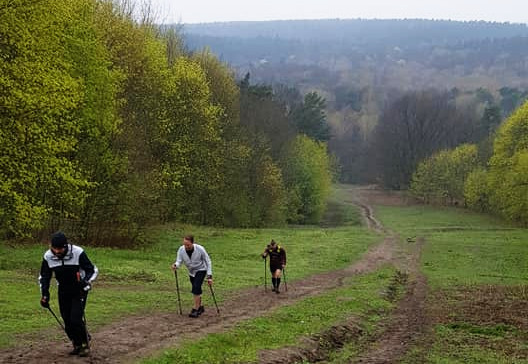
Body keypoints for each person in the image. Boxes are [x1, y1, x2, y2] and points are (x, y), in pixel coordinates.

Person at [39, 231, 98, 357]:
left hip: (79, 290)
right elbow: (44, 276)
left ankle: (84, 344)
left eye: (60, 249)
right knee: (67, 320)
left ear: (66, 246)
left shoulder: (78, 252)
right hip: (63, 290)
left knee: (75, 319)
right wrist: (45, 294)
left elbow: (91, 270)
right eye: (54, 249)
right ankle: (77, 344)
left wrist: (85, 282)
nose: (57, 252)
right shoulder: (48, 256)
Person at [171, 235, 213, 318]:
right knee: (197, 289)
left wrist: (209, 275)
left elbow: (208, 261)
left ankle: (195, 309)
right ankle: (200, 307)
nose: (186, 246)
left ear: (192, 243)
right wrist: (176, 265)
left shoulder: (200, 249)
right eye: (185, 244)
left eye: (188, 245)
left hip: (201, 269)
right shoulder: (181, 249)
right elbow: (179, 260)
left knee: (196, 287)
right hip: (191, 272)